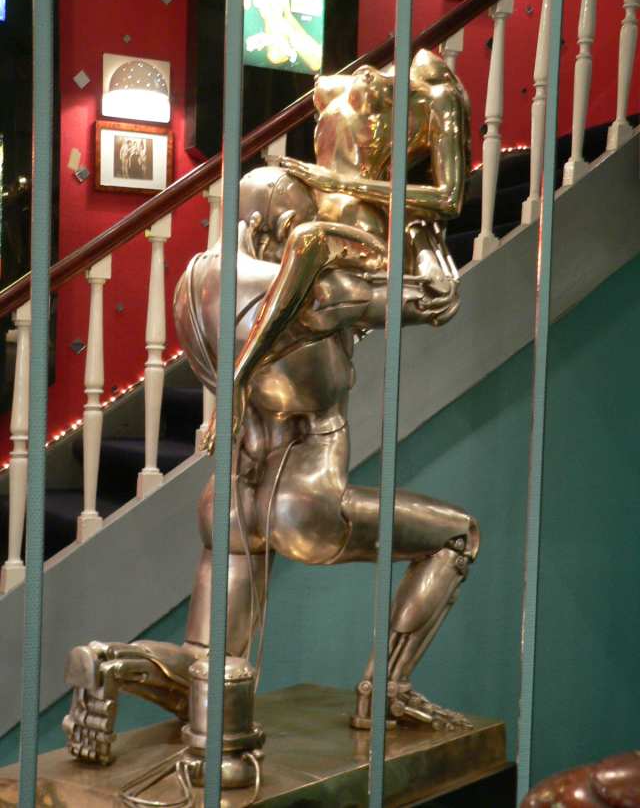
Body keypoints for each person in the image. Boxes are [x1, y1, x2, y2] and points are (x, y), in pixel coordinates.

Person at [62, 50, 479, 767]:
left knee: (214, 669)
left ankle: (115, 661)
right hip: (309, 494)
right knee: (458, 537)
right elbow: (437, 295)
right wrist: (411, 223)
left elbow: (240, 306)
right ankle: (386, 692)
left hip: (232, 492)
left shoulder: (237, 241)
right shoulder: (343, 272)